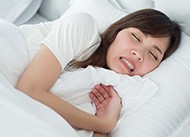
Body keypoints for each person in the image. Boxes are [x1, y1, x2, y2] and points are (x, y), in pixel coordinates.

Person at [16, 9, 181, 137]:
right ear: (116, 32)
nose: (139, 54)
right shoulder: (83, 27)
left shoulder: (111, 94)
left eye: (153, 55)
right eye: (136, 37)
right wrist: (105, 124)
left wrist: (104, 124)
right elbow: (29, 90)